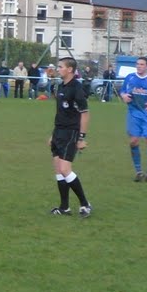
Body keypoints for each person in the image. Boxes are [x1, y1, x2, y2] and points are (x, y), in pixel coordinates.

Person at [47, 57, 92, 217]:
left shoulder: (76, 88)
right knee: (58, 170)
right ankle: (64, 207)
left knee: (65, 169)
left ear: (70, 69)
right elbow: (61, 113)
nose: (58, 69)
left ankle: (85, 204)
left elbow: (85, 114)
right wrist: (53, 134)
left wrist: (81, 137)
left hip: (71, 133)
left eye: (61, 67)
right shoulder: (61, 86)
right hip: (58, 132)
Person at [119, 56, 147, 182]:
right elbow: (122, 91)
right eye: (137, 64)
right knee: (133, 141)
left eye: (142, 64)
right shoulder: (130, 77)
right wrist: (124, 96)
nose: (139, 66)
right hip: (133, 112)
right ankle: (139, 172)